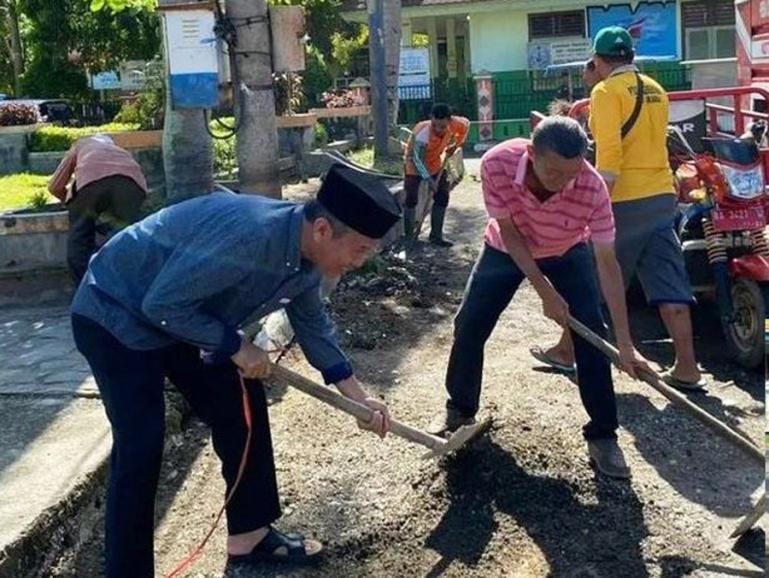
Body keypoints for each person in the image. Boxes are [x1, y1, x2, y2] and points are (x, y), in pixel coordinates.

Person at [70, 164, 401, 578]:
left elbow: (313, 326)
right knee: (142, 444)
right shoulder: (251, 237)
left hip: (183, 315)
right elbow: (161, 304)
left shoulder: (306, 260)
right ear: (321, 230)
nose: (363, 261)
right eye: (362, 249)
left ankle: (250, 536)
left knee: (241, 401)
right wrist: (236, 346)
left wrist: (357, 397)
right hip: (115, 311)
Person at [429, 117, 650, 479]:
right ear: (531, 153)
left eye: (572, 174)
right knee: (469, 325)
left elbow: (608, 264)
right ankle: (460, 411)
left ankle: (603, 436)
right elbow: (511, 234)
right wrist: (545, 292)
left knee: (591, 333)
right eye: (553, 173)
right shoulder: (496, 163)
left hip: (567, 249)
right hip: (505, 249)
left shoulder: (592, 187)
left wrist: (625, 344)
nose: (563, 184)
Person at [533, 27, 704, 391]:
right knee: (668, 279)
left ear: (597, 58)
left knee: (595, 279)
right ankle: (688, 368)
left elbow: (609, 159)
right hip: (661, 197)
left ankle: (566, 352)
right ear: (630, 56)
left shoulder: (606, 92)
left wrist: (590, 206)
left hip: (624, 201)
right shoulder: (656, 89)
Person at [48, 134, 147, 285]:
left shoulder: (80, 145)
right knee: (125, 237)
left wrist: (69, 202)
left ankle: (86, 289)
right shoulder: (118, 150)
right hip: (133, 185)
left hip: (91, 184)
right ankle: (130, 287)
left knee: (79, 240)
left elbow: (55, 186)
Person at [403, 103, 470, 247]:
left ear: (449, 121)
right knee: (411, 196)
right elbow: (417, 160)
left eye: (443, 127)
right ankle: (409, 237)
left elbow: (465, 128)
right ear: (431, 119)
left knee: (442, 195)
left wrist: (455, 145)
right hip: (414, 164)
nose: (439, 130)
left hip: (435, 163)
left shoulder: (457, 124)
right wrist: (429, 180)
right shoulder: (423, 133)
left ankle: (436, 236)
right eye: (436, 126)